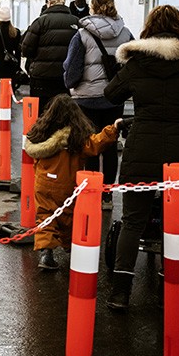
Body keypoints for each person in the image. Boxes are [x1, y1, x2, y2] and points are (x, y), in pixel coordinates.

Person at [104, 5, 179, 310]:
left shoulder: (136, 63)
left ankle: (120, 291)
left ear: (148, 30)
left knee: (132, 221)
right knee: (176, 222)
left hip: (141, 148)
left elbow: (110, 94)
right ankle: (171, 282)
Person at [24, 94, 121, 270]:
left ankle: (46, 254)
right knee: (67, 216)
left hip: (42, 184)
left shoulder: (40, 133)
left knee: (45, 217)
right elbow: (95, 144)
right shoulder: (75, 137)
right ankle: (70, 246)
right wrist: (112, 129)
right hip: (66, 183)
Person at [63, 0, 133, 208]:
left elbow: (73, 69)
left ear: (92, 7)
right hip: (114, 97)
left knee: (90, 144)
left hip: (86, 98)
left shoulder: (82, 34)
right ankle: (107, 195)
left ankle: (91, 190)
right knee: (110, 145)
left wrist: (70, 84)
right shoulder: (126, 34)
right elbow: (134, 65)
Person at [21, 0, 80, 112]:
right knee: (63, 113)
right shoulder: (76, 21)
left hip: (42, 78)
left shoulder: (40, 22)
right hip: (66, 77)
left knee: (42, 114)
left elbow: (26, 50)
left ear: (48, 2)